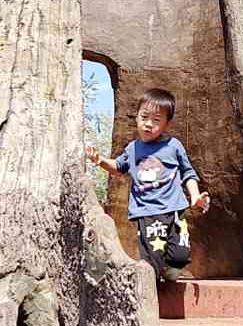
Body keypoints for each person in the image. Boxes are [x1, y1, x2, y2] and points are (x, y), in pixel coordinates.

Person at [86, 87, 210, 281]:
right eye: (144, 117)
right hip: (147, 213)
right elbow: (119, 167)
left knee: (180, 255)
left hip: (175, 210)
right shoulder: (133, 149)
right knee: (152, 261)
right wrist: (99, 160)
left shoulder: (173, 146)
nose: (148, 124)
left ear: (166, 124)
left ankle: (172, 269)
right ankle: (155, 291)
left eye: (156, 120)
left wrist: (195, 196)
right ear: (136, 117)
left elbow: (188, 173)